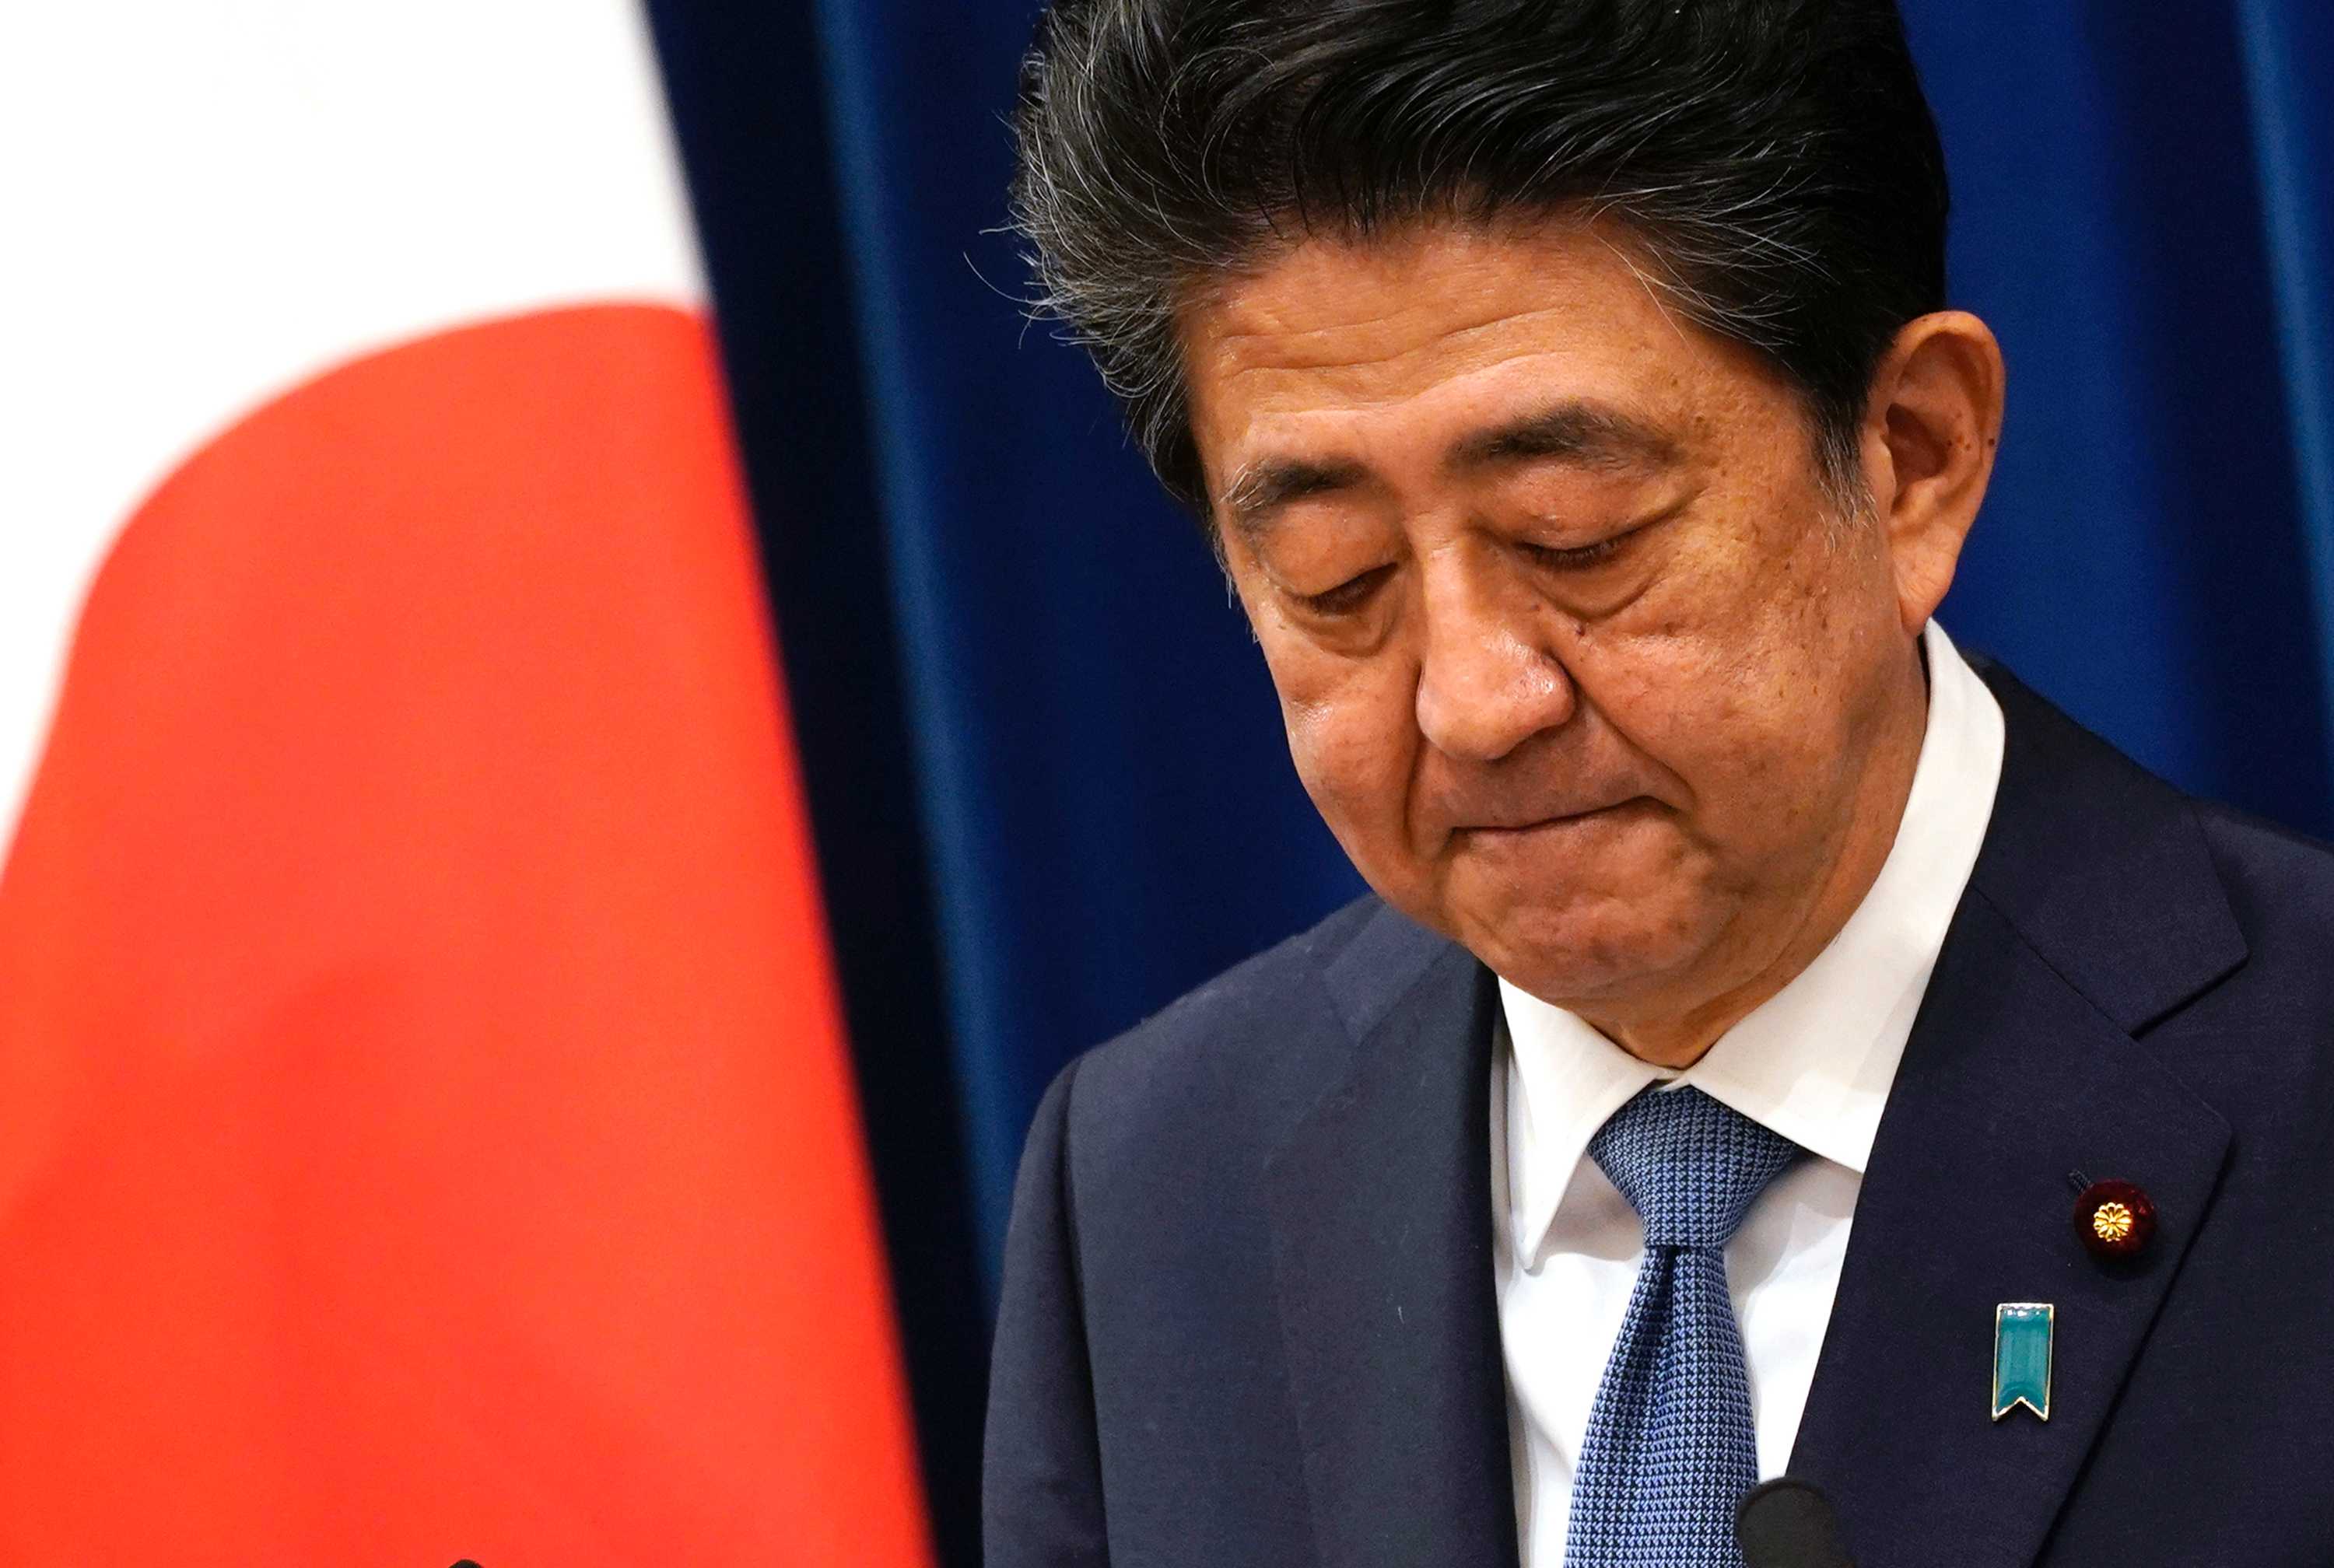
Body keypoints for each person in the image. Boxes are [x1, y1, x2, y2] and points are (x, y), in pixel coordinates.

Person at [983, 2, 2334, 1564]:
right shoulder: (1155, 1179)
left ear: (1911, 455)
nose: (1478, 702)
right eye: (1337, 578)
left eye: (1580, 539)